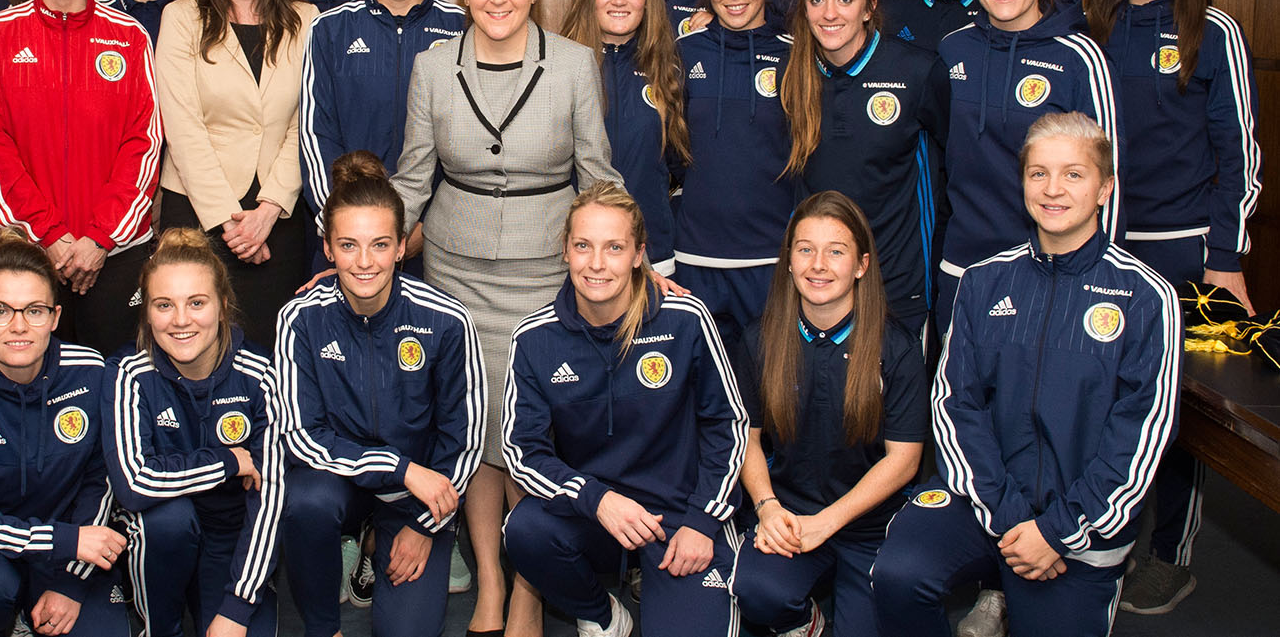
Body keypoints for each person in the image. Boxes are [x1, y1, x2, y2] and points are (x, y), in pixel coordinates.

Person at [389, 0, 621, 637]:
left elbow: (598, 177)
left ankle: (529, 586)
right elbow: (412, 178)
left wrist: (633, 260)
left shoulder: (576, 63)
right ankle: (490, 579)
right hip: (456, 275)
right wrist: (356, 244)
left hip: (544, 276)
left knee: (531, 429)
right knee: (478, 429)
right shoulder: (432, 66)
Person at [873, 111, 1180, 637]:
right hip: (987, 504)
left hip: (1082, 528)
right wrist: (1012, 517)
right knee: (898, 575)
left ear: (1105, 188)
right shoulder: (984, 282)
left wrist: (1056, 531)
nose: (1053, 189)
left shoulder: (1148, 298)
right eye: (1038, 173)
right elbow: (954, 406)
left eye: (1073, 174)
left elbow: (1141, 436)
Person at [1086, 0, 1261, 616]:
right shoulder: (1090, 26)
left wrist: (1226, 256)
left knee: (1183, 414)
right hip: (1103, 248)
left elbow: (1239, 152)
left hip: (1188, 256)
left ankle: (1168, 557)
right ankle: (1103, 538)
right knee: (1102, 403)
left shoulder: (1211, 29)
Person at [502, 181, 747, 637]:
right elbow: (522, 453)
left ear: (638, 255)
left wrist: (703, 520)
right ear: (565, 250)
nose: (597, 264)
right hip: (596, 513)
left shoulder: (686, 320)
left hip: (679, 517)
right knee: (526, 529)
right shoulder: (534, 338)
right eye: (583, 246)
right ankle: (602, 616)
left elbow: (729, 426)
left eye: (614, 247)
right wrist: (597, 499)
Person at [273, 151, 486, 637]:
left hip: (415, 502)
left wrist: (425, 526)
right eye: (348, 245)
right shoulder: (299, 319)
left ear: (401, 248)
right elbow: (302, 436)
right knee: (305, 502)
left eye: (379, 245)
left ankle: (381, 543)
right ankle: (324, 626)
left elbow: (466, 437)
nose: (364, 262)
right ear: (327, 248)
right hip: (342, 484)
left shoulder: (447, 320)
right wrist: (400, 468)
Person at [0, 0, 161, 357]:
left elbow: (145, 142)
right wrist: (49, 237)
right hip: (27, 255)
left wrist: (98, 237)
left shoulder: (129, 37)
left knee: (117, 384)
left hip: (114, 254)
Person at [731, 191, 927, 637]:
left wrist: (829, 522)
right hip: (791, 515)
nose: (818, 265)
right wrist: (767, 507)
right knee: (756, 591)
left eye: (835, 251)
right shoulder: (759, 340)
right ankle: (807, 624)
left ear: (860, 265)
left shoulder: (895, 346)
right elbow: (748, 438)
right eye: (805, 249)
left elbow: (905, 460)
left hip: (869, 526)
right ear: (788, 260)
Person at [0, 229, 130, 637]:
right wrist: (61, 541)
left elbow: (103, 481)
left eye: (33, 310)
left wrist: (71, 578)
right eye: (0, 311)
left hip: (71, 552)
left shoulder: (91, 373)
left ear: (54, 316)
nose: (18, 326)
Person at [934, 0, 1123, 333]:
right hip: (963, 265)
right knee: (956, 395)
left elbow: (1110, 181)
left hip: (1051, 274)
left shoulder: (1081, 58)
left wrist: (1095, 279)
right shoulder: (953, 49)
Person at [100, 228, 279, 637]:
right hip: (167, 536)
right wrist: (227, 461)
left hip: (231, 538)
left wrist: (237, 606)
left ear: (222, 306)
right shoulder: (128, 372)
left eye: (196, 303)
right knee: (165, 520)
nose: (181, 320)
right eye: (164, 305)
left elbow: (271, 504)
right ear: (147, 312)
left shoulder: (261, 373)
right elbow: (132, 485)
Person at [156, 0, 316, 347]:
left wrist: (268, 211)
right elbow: (182, 127)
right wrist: (230, 223)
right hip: (196, 212)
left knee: (268, 348)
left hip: (277, 216)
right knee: (191, 343)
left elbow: (304, 123)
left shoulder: (307, 21)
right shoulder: (182, 17)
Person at [300, 0, 466, 274]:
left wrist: (427, 225)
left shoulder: (465, 30)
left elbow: (471, 145)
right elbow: (314, 135)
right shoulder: (329, 29)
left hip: (435, 241)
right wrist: (345, 230)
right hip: (349, 243)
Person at [780, 0, 948, 333]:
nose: (830, 13)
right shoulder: (791, 75)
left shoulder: (916, 72)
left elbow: (957, 166)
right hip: (818, 284)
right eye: (816, 0)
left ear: (870, 7)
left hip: (896, 284)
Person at [673, 0, 795, 344]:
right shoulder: (683, 51)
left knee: (771, 397)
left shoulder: (794, 54)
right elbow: (668, 151)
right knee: (703, 398)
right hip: (695, 259)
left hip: (771, 260)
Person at [559, 0, 689, 276]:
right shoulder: (558, 65)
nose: (619, 0)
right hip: (577, 252)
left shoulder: (669, 69)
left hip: (651, 249)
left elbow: (684, 166)